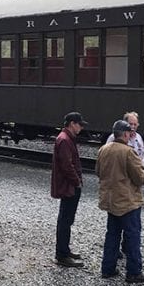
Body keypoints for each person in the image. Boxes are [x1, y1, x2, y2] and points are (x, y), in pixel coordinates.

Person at [97, 120, 144, 283]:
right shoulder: (129, 152)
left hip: (110, 200)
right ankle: (134, 272)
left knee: (112, 234)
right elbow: (140, 178)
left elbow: (98, 172)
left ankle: (108, 268)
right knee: (132, 236)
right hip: (128, 202)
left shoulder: (103, 150)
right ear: (126, 134)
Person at [51, 112, 88, 268]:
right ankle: (62, 254)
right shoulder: (65, 140)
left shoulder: (64, 138)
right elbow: (67, 166)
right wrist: (77, 181)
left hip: (68, 186)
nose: (81, 127)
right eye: (80, 124)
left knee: (66, 219)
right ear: (72, 123)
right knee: (65, 220)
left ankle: (64, 250)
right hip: (69, 186)